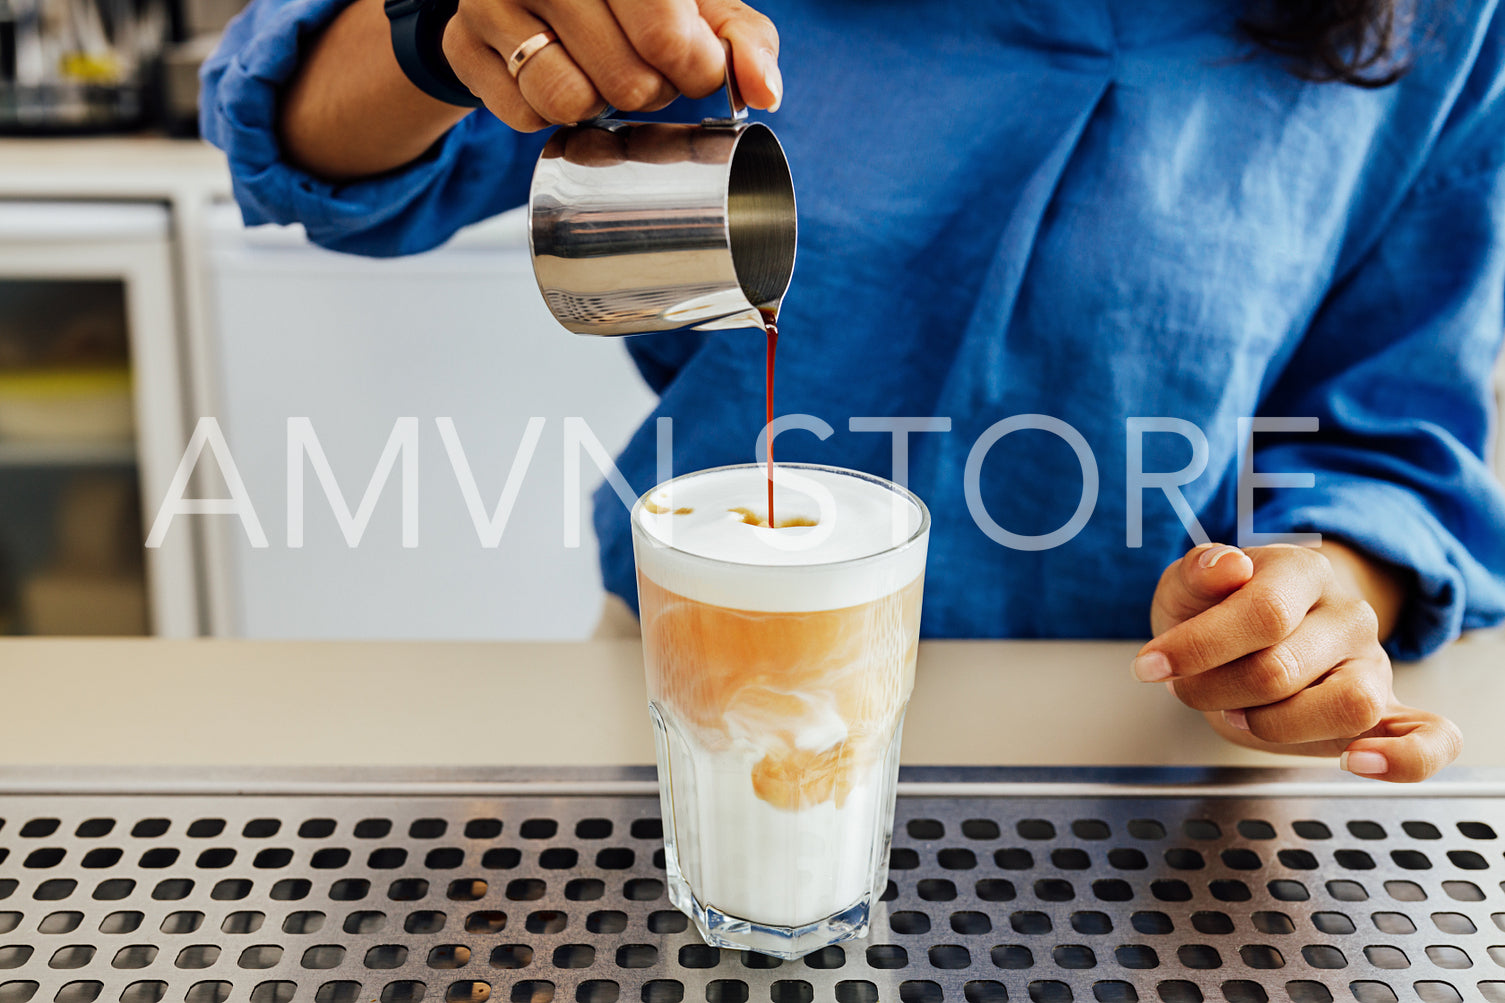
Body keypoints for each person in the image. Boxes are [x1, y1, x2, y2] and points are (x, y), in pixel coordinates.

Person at [201, 0, 1505, 782]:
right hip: (701, 683)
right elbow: (304, 154)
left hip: (1151, 734)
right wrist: (438, 28)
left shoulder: (1444, 31)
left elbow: (1392, 438)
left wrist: (1325, 594)